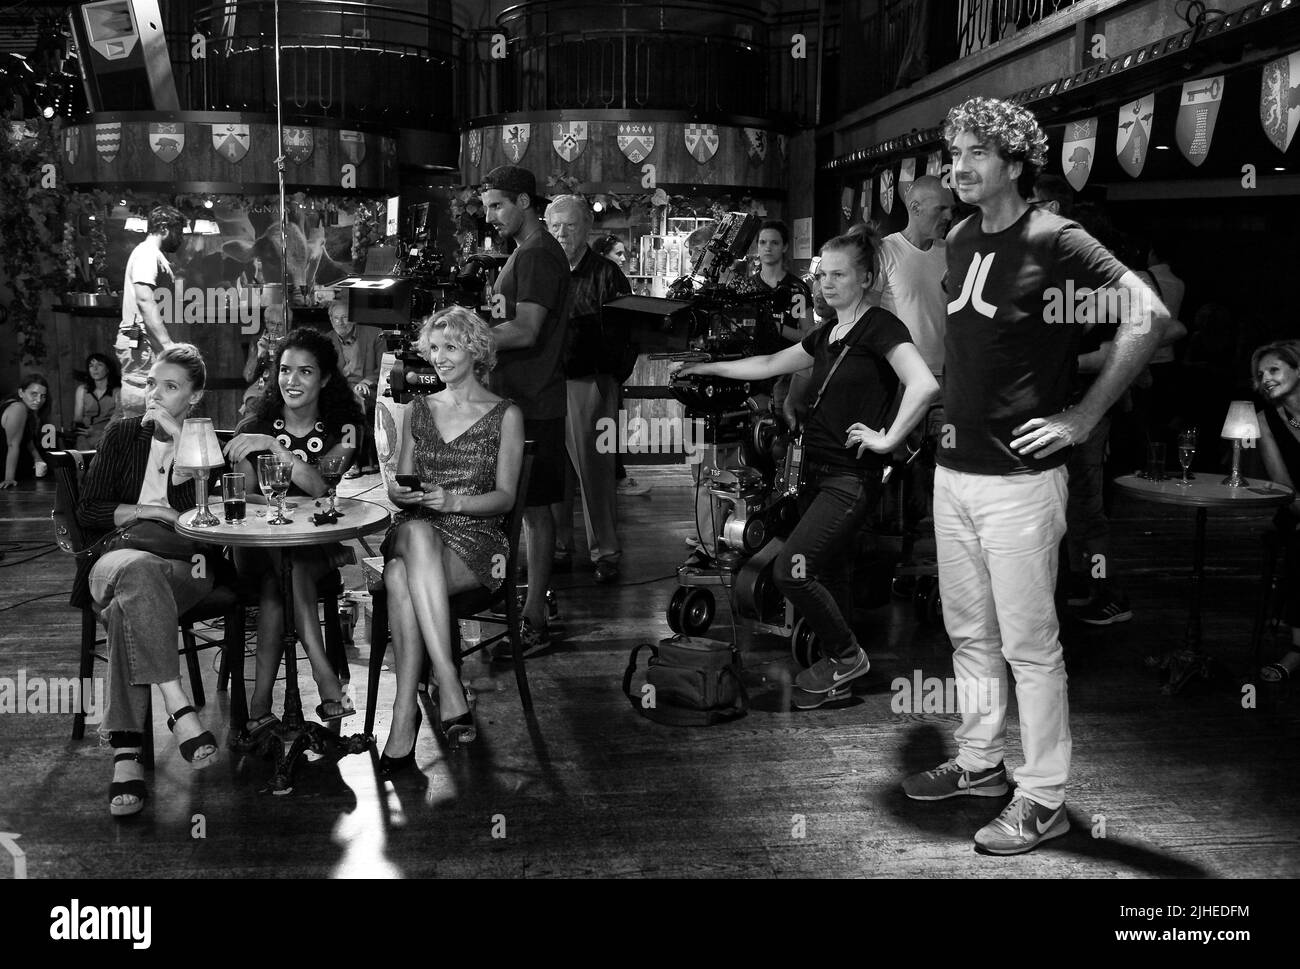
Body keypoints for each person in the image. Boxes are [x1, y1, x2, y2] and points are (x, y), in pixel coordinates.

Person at [900, 96, 1166, 855]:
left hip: (1021, 479)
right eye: (955, 151)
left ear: (1016, 162)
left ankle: (1043, 794)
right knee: (969, 635)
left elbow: (1146, 313)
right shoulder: (955, 237)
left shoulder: (1056, 236)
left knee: (1031, 645)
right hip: (955, 472)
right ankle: (982, 763)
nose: (960, 164)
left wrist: (1082, 416)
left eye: (977, 151)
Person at [675, 229, 938, 709]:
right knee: (831, 573)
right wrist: (711, 369)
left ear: (866, 277)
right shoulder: (829, 332)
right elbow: (773, 361)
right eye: (823, 274)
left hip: (850, 478)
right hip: (814, 474)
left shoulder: (881, 326)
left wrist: (889, 438)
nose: (827, 283)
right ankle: (840, 667)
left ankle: (847, 655)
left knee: (791, 571)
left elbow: (923, 385)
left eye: (840, 275)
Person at [75, 344, 227, 817]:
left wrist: (183, 443)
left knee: (127, 609)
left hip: (185, 567)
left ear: (194, 397)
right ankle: (179, 706)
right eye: (153, 383)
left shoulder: (202, 445)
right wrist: (153, 510)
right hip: (113, 556)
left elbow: (213, 523)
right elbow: (90, 511)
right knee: (135, 571)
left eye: (172, 386)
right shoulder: (122, 434)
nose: (157, 394)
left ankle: (125, 754)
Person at [379, 307, 524, 767]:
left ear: (476, 350)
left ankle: (405, 711)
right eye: (434, 348)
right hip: (417, 528)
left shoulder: (506, 415)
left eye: (450, 347)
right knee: (417, 531)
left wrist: (456, 502)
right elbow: (402, 488)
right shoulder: (417, 410)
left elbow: (504, 498)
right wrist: (398, 491)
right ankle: (448, 679)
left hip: (477, 540)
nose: (438, 358)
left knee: (399, 577)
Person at [223, 328, 364, 743]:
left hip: (310, 547)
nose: (292, 381)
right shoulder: (253, 424)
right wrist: (265, 446)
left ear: (324, 379)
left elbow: (322, 485)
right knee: (286, 566)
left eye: (305, 372)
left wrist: (274, 448)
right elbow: (243, 501)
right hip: (258, 548)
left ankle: (259, 706)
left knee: (279, 584)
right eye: (285, 370)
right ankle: (326, 682)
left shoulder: (345, 427)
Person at [479, 165, 571, 652]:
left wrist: (465, 340)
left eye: (497, 205)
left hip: (535, 403)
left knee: (533, 513)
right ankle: (524, 601)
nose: (490, 216)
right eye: (487, 207)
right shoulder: (525, 252)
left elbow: (528, 329)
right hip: (520, 402)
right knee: (521, 509)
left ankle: (535, 616)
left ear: (524, 202)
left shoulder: (536, 255)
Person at [545, 195, 632, 584]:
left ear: (587, 229)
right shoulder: (541, 268)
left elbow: (628, 334)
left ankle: (607, 553)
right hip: (547, 384)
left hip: (590, 383)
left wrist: (610, 380)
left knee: (595, 473)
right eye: (556, 225)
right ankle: (561, 548)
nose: (563, 233)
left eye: (571, 225)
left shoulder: (607, 274)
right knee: (554, 475)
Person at [1253, 340, 1300, 682]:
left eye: (1273, 370)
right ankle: (1298, 648)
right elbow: (1283, 485)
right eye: (1260, 374)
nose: (1265, 379)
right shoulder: (1265, 419)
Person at [114, 205, 187, 422]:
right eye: (179, 232)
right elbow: (144, 299)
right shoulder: (147, 254)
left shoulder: (154, 255)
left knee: (156, 414)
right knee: (141, 411)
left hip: (148, 345)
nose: (181, 238)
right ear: (164, 228)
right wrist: (167, 345)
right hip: (144, 346)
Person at [593, 234, 651, 496]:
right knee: (608, 425)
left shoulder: (598, 276)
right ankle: (615, 479)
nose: (623, 258)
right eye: (618, 253)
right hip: (608, 367)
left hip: (603, 366)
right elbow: (625, 324)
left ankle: (610, 479)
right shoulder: (610, 276)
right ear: (604, 255)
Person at [754, 220, 814, 423]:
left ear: (785, 247)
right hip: (754, 369)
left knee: (784, 432)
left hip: (788, 371)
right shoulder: (746, 289)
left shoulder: (797, 289)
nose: (768, 247)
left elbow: (809, 336)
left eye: (774, 243)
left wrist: (777, 328)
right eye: (762, 242)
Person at [326, 299, 382, 477]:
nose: (340, 322)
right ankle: (348, 457)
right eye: (336, 318)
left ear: (354, 318)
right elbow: (326, 371)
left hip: (368, 387)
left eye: (344, 317)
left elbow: (384, 367)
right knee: (343, 401)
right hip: (340, 388)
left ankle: (354, 461)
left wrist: (366, 382)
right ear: (330, 319)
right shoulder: (326, 340)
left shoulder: (375, 334)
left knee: (356, 400)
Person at [1, 374, 50, 488]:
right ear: (21, 393)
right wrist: (9, 478)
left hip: (21, 469)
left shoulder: (22, 407)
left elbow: (27, 440)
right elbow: (12, 444)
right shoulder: (18, 408)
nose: (38, 400)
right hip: (7, 471)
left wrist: (37, 458)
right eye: (34, 394)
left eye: (43, 396)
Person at [72, 353, 121, 450]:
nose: (95, 368)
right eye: (91, 365)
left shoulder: (118, 392)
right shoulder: (82, 390)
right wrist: (80, 430)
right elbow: (78, 418)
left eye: (99, 365)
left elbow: (117, 419)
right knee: (82, 442)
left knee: (102, 442)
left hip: (108, 433)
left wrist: (96, 431)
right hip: (86, 433)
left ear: (108, 369)